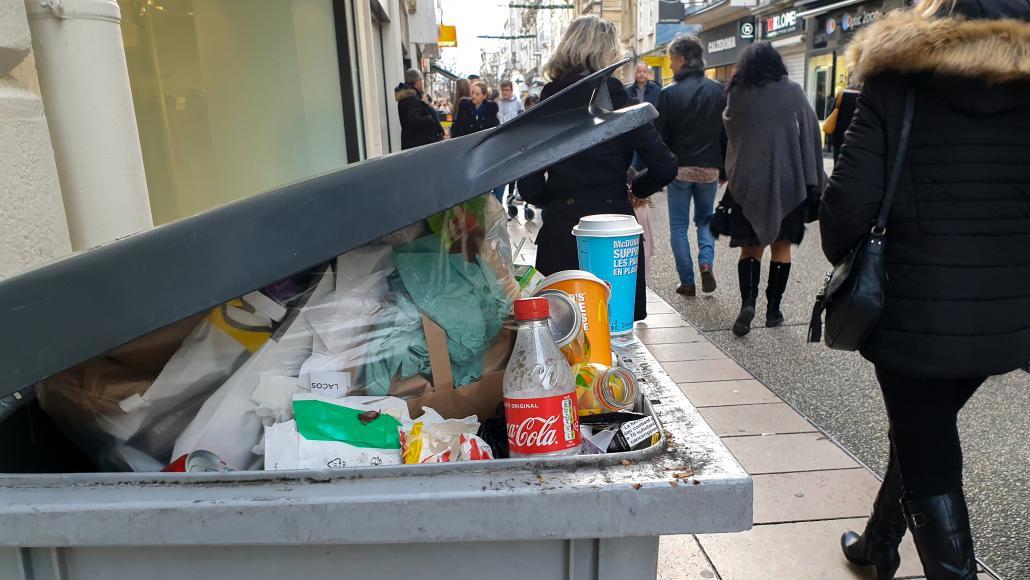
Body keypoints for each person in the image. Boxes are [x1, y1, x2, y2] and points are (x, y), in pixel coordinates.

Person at [820, 1, 1030, 578]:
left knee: (927, 443)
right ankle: (878, 545)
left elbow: (843, 218)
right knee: (922, 425)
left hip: (912, 309)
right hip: (1010, 311)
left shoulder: (899, 81)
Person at [517, 15, 677, 322]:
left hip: (563, 226)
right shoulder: (619, 97)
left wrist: (552, 197)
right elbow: (665, 165)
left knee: (564, 329)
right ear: (606, 52)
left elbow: (528, 184)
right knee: (613, 328)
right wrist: (636, 189)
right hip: (613, 231)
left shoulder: (549, 100)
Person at [721, 41, 825, 336]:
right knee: (781, 248)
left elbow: (731, 131)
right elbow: (810, 132)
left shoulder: (739, 94)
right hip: (787, 182)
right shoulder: (791, 91)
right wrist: (812, 175)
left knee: (750, 249)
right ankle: (774, 310)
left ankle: (748, 302)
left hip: (749, 184)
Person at [654, 35, 727, 297]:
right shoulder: (719, 91)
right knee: (705, 221)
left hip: (680, 170)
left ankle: (687, 281)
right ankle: (706, 263)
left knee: (678, 227)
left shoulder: (668, 94)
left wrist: (660, 169)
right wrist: (724, 169)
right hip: (709, 170)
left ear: (682, 60)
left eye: (672, 60)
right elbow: (726, 134)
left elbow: (658, 136)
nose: (670, 66)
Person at [496, 80, 526, 218]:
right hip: (502, 141)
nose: (505, 93)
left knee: (513, 170)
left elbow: (522, 119)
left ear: (511, 90)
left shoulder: (517, 103)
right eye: (503, 90)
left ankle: (511, 195)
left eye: (507, 90)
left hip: (514, 140)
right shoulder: (498, 104)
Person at [394, 69, 444, 150]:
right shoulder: (412, 98)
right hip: (418, 146)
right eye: (422, 80)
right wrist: (430, 118)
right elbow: (414, 120)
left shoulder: (406, 97)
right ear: (418, 81)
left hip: (411, 143)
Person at [822, 80, 861, 162]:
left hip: (839, 135)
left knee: (837, 161)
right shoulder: (862, 97)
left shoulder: (841, 94)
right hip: (854, 136)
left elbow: (833, 111)